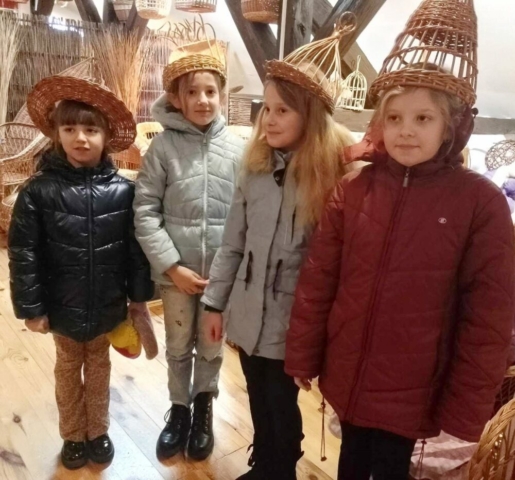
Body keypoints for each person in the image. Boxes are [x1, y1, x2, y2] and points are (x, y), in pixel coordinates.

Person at [284, 3, 515, 478]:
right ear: (380, 124)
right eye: (394, 118)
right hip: (349, 369)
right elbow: (319, 281)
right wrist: (304, 354)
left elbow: (488, 316)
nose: (406, 130)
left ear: (450, 125)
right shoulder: (353, 188)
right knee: (352, 462)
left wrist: (466, 405)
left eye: (423, 118)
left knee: (390, 467)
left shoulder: (480, 204)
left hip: (415, 386)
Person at [200, 16, 357, 480]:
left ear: (309, 116)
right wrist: (214, 303)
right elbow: (232, 243)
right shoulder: (253, 169)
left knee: (281, 400)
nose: (268, 119)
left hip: (294, 320)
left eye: (282, 110)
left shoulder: (332, 176)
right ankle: (266, 461)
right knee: (257, 392)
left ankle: (280, 467)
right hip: (249, 311)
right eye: (265, 108)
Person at [8, 76, 154, 470]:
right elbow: (24, 253)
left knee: (101, 369)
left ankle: (98, 430)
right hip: (62, 307)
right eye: (70, 128)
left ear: (106, 137)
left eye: (91, 130)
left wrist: (139, 297)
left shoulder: (124, 191)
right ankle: (73, 434)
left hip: (108, 305)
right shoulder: (38, 192)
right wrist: (32, 308)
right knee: (69, 371)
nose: (81, 138)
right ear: (57, 134)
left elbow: (136, 251)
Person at [133, 42, 245, 461]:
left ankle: (203, 409)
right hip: (175, 276)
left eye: (210, 91)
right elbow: (145, 211)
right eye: (192, 92)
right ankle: (179, 410)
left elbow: (244, 215)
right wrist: (171, 266)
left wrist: (229, 272)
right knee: (179, 345)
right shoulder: (162, 149)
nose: (202, 100)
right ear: (176, 98)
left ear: (221, 95)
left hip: (220, 277)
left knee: (212, 347)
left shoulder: (237, 149)